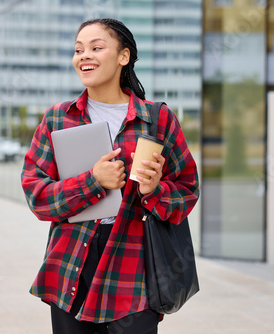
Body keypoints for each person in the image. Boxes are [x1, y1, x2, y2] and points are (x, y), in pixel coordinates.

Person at [21, 18, 199, 334]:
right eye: (78, 50)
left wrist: (154, 189)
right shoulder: (58, 119)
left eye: (96, 47)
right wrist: (94, 181)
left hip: (133, 263)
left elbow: (186, 190)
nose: (84, 56)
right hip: (71, 263)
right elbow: (37, 196)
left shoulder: (156, 119)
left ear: (123, 56)